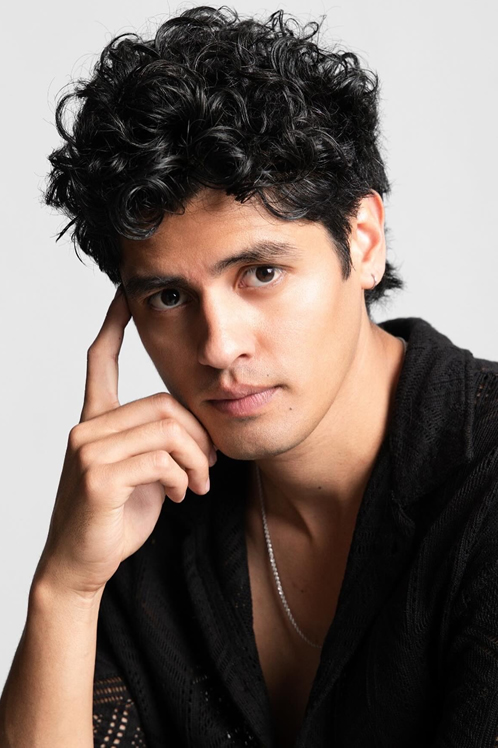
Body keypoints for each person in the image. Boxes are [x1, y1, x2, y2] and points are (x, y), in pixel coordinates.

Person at [1, 5, 498, 747]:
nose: (218, 346)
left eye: (261, 272)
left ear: (362, 241)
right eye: (169, 297)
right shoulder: (149, 513)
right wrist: (67, 588)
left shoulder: (481, 487)